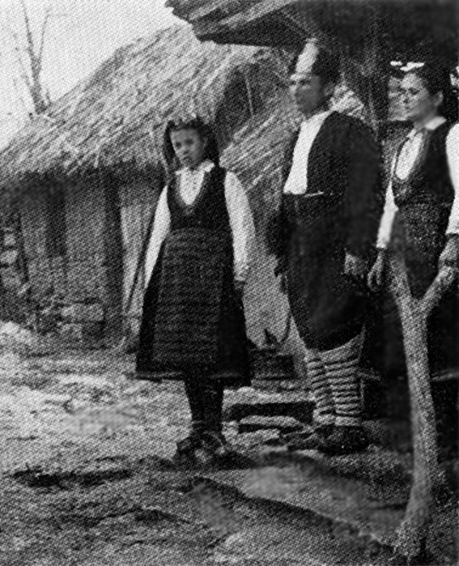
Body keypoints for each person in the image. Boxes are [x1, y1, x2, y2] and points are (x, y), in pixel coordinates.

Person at [269, 39, 383, 456]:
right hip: (301, 244)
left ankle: (350, 424)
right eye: (293, 82)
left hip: (335, 242)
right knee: (310, 329)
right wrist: (282, 255)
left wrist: (358, 247)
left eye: (307, 81)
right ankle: (326, 419)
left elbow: (365, 194)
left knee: (336, 324)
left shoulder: (352, 132)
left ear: (329, 86)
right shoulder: (293, 137)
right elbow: (284, 199)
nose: (297, 89)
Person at [135, 117, 255, 462]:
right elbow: (159, 235)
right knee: (187, 353)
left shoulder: (225, 181)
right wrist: (151, 283)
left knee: (211, 353)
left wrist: (240, 273)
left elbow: (243, 229)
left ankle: (214, 429)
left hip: (213, 278)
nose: (183, 151)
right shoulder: (170, 187)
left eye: (189, 143)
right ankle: (197, 426)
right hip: (177, 281)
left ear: (204, 142)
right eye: (177, 145)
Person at [368, 62, 459, 462]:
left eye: (414, 91)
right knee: (404, 341)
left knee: (442, 340)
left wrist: (454, 241)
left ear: (437, 97)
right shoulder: (403, 145)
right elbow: (391, 203)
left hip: (436, 249)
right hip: (404, 258)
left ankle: (449, 441)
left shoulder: (451, 136)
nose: (404, 98)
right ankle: (419, 437)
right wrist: (381, 253)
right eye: (400, 91)